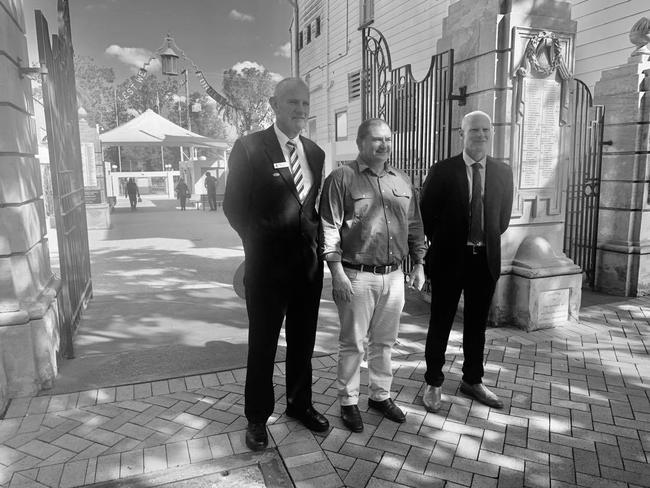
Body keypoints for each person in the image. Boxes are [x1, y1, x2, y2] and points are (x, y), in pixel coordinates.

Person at [223, 77, 329, 451]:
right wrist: (258, 247)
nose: (301, 109)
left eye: (305, 102)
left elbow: (311, 209)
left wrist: (317, 251)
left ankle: (300, 404)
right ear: (274, 104)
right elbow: (233, 207)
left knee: (303, 343)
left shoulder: (315, 153)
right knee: (263, 345)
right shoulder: (250, 148)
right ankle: (256, 418)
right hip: (267, 272)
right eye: (292, 102)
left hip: (308, 270)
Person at [319, 118, 426, 433]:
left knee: (384, 342)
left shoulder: (402, 181)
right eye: (377, 140)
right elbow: (328, 227)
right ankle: (349, 401)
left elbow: (416, 226)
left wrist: (419, 263)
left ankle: (380, 395)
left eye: (388, 140)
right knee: (352, 343)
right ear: (360, 143)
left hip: (394, 277)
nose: (384, 145)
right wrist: (336, 272)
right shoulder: (341, 178)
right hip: (356, 275)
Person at [419, 110, 513, 412]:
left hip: (484, 261)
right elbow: (426, 215)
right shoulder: (443, 170)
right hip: (449, 261)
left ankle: (472, 380)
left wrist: (481, 241)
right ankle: (433, 381)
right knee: (441, 323)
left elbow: (503, 218)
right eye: (475, 130)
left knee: (476, 326)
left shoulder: (502, 172)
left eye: (486, 130)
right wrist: (448, 242)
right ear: (462, 134)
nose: (481, 135)